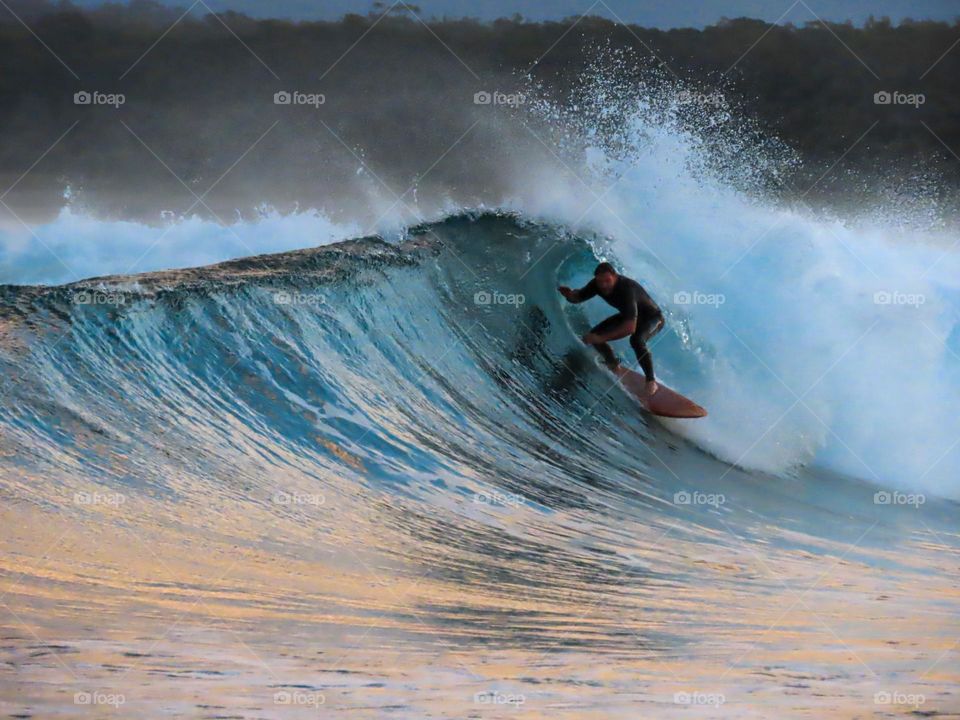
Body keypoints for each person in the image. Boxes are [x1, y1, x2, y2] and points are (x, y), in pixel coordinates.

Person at [558, 262, 665, 395]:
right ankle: (613, 363)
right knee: (594, 335)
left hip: (653, 318)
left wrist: (600, 338)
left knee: (636, 340)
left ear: (615, 277)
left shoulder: (627, 289)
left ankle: (651, 381)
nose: (604, 285)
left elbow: (630, 328)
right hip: (630, 316)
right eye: (600, 281)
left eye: (608, 281)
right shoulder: (597, 285)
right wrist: (569, 296)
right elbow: (579, 297)